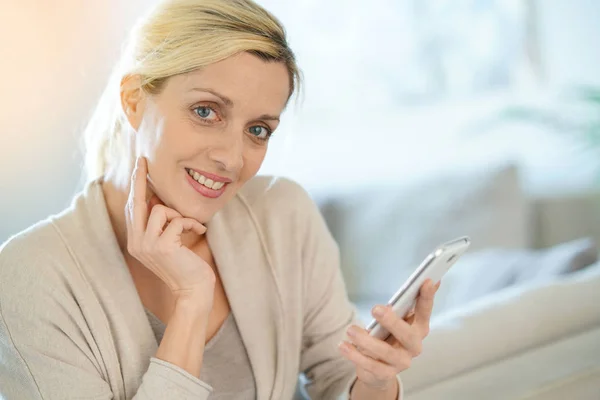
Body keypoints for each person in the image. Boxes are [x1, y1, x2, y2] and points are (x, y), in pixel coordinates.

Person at [0, 0, 440, 399]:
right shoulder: (31, 277)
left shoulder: (284, 216)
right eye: (206, 111)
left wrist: (377, 382)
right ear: (134, 100)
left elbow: (335, 380)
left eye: (258, 129)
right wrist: (192, 304)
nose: (232, 158)